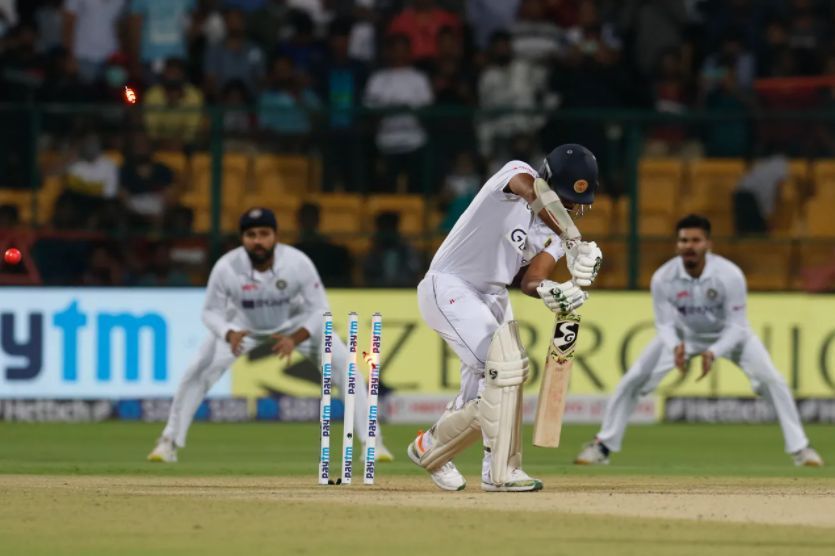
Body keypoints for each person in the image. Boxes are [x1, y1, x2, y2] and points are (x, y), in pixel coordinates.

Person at [409, 144, 603, 492]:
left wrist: (554, 291)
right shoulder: (514, 176)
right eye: (565, 199)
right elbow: (529, 189)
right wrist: (574, 239)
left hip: (494, 296)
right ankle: (500, 472)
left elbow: (531, 280)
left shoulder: (558, 234)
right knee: (505, 368)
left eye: (578, 203)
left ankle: (436, 450)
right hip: (450, 284)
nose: (572, 208)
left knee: (487, 390)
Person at [575, 214, 823, 468]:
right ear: (677, 245)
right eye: (684, 240)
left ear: (708, 245)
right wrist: (675, 346)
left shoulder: (729, 275)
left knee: (774, 381)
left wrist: (714, 352)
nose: (689, 246)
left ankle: (801, 449)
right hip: (684, 336)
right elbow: (664, 324)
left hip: (730, 337)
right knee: (632, 380)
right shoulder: (663, 277)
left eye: (696, 240)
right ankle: (602, 446)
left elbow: (737, 325)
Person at [148, 207, 393, 463]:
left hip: (295, 326)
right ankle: (168, 442)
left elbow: (321, 309)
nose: (257, 241)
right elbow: (210, 312)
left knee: (346, 366)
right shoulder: (226, 267)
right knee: (198, 369)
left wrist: (295, 338)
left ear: (275, 236)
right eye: (251, 235)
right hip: (242, 326)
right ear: (243, 238)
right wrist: (227, 332)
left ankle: (372, 443)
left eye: (264, 234)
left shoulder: (297, 263)